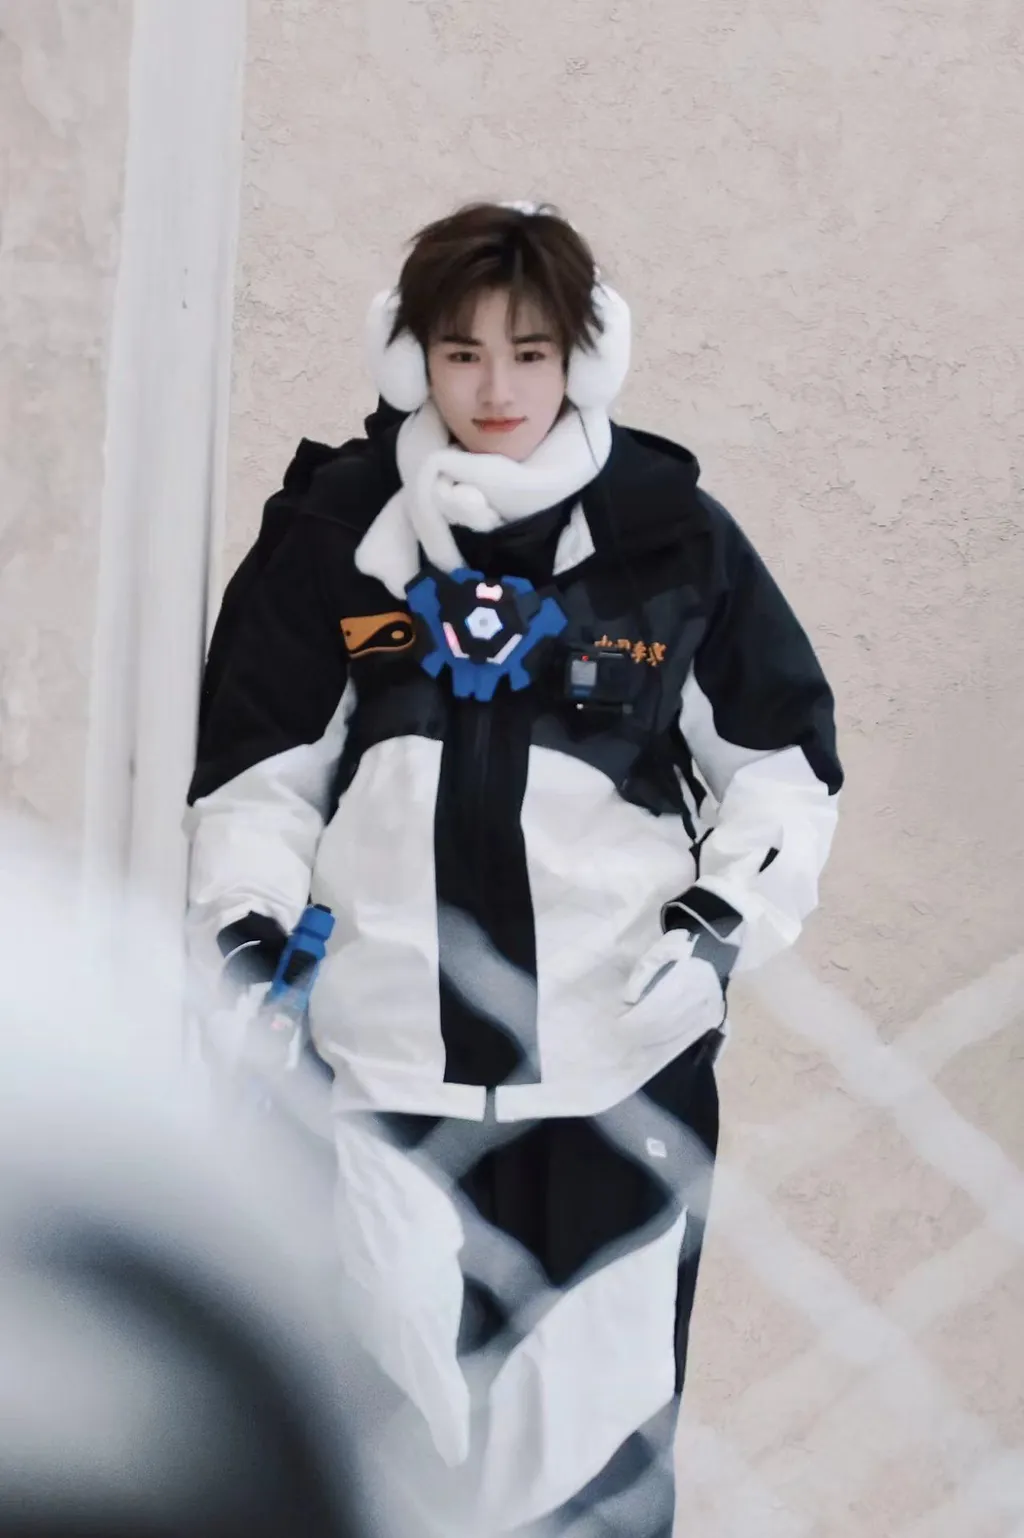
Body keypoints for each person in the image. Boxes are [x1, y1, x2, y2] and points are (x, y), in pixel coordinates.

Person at [186, 200, 843, 1536]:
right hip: (375, 1076)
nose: (496, 389)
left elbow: (783, 768)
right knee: (377, 1458)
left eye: (531, 353)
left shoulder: (673, 539)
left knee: (588, 1475)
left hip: (616, 1079)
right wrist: (244, 941)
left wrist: (720, 925)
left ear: (584, 360)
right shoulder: (333, 535)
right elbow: (259, 780)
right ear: (410, 357)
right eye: (463, 352)